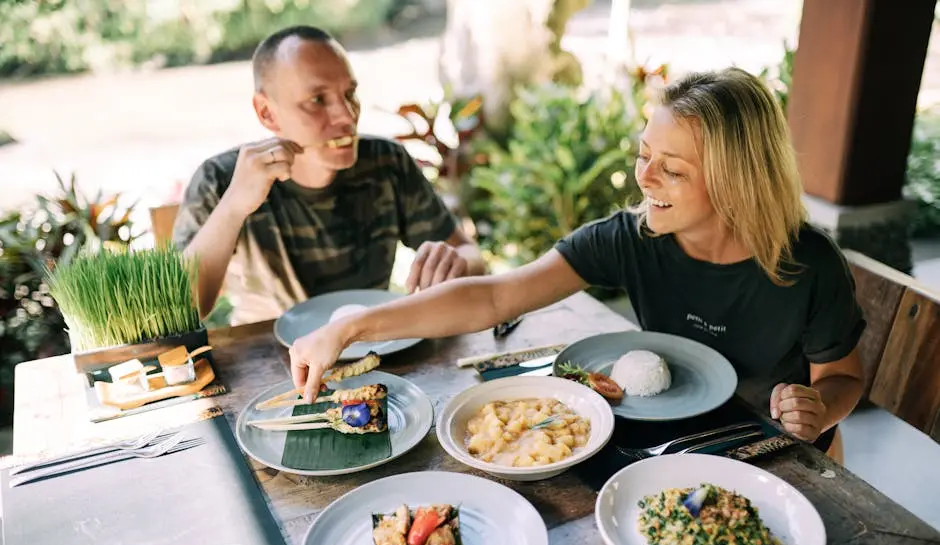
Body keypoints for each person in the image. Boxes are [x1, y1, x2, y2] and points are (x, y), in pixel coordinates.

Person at [288, 67, 867, 457]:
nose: (644, 178)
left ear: (737, 182)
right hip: (673, 437)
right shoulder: (630, 237)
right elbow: (494, 297)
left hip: (779, 452)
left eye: (673, 169)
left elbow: (843, 380)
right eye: (645, 155)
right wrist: (350, 328)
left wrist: (817, 411)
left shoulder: (807, 265)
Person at [172, 25, 486, 325]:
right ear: (267, 113)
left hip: (377, 340)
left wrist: (455, 262)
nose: (347, 116)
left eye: (349, 94)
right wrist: (233, 206)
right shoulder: (221, 179)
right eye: (318, 100)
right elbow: (184, 308)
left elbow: (471, 256)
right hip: (270, 357)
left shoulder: (385, 162)